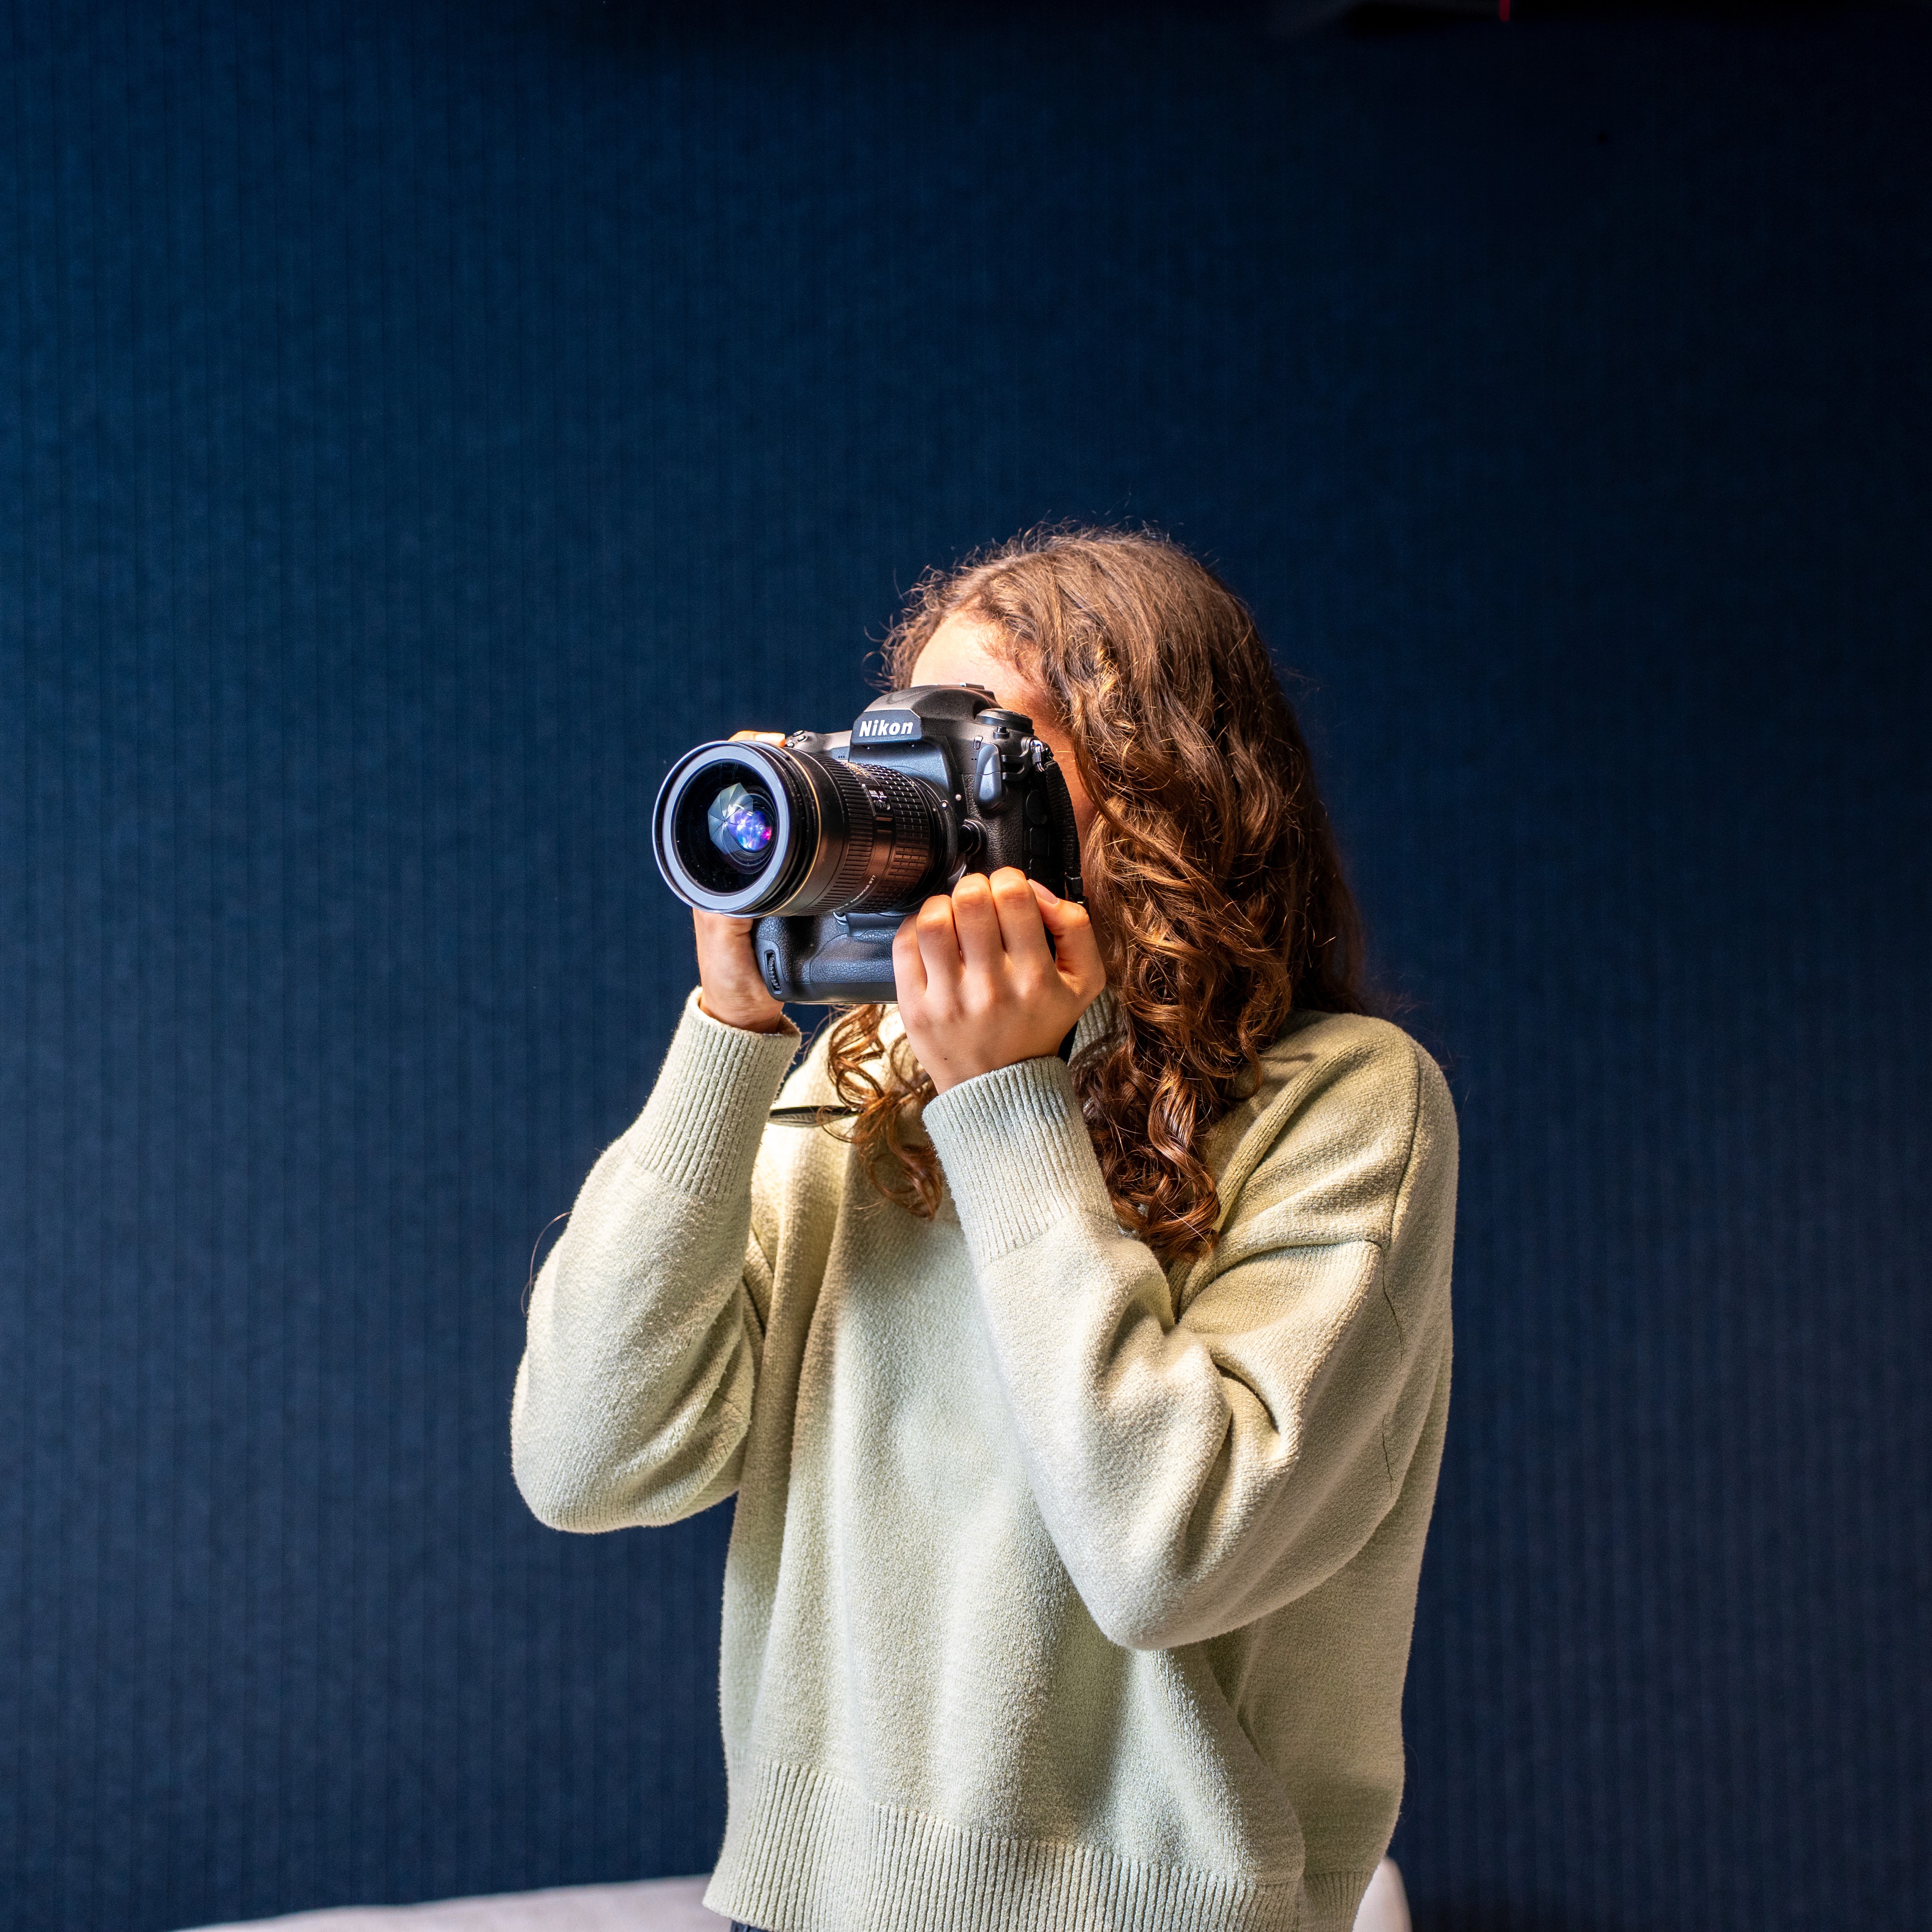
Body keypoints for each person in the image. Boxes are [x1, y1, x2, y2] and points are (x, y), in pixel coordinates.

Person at [511, 529, 1456, 1932]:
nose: (909, 806)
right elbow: (587, 1460)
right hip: (805, 1908)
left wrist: (1010, 1108)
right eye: (893, 755)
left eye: (981, 752)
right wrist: (733, 1031)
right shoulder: (858, 1074)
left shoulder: (1349, 1106)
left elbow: (1169, 1552)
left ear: (1165, 796)